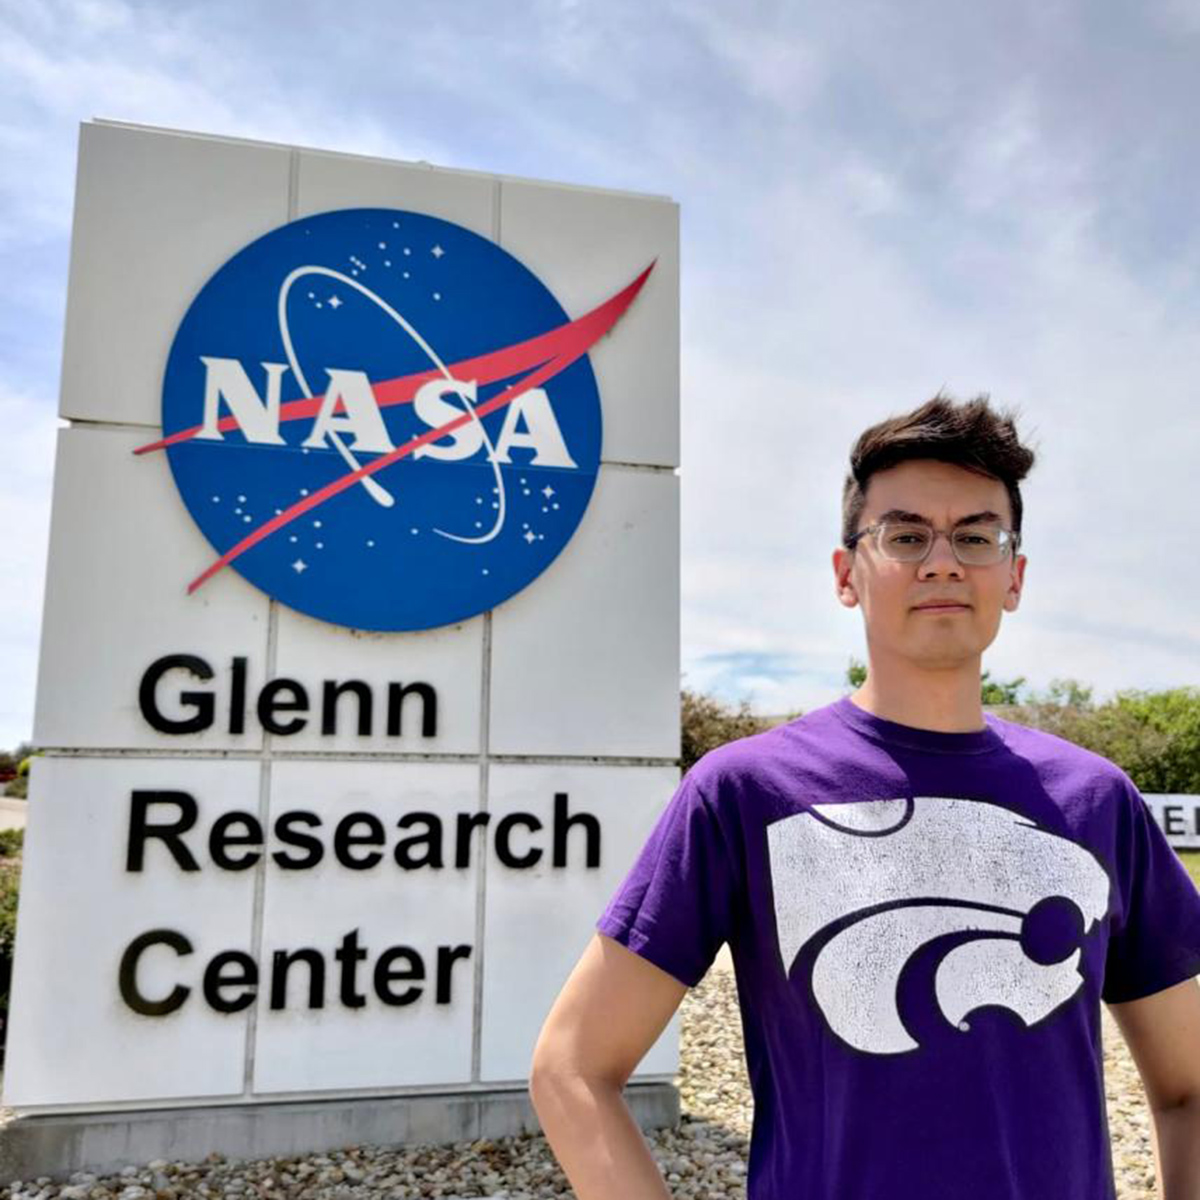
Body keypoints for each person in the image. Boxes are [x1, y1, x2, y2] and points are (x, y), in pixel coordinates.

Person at [528, 394, 1200, 1199]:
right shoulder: (745, 793)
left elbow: (1189, 1088)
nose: (943, 562)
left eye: (977, 536)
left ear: (1013, 576)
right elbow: (573, 1069)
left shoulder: (1098, 802)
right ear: (847, 574)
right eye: (906, 535)